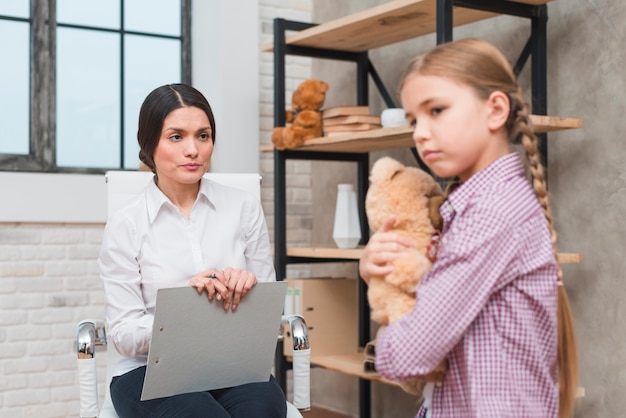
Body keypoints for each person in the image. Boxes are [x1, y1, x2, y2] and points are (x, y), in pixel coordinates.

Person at [359, 38, 578, 418]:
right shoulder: (475, 208)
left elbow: (411, 355)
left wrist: (386, 344)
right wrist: (375, 271)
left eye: (437, 110)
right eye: (413, 120)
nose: (420, 133)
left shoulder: (491, 214)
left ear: (495, 110)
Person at [98, 83, 286, 418]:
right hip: (145, 372)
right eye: (176, 136)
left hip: (231, 364)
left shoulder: (243, 207)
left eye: (203, 135)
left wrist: (248, 287)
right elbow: (123, 334)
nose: (193, 150)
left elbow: (268, 315)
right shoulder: (126, 223)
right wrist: (182, 311)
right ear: (149, 144)